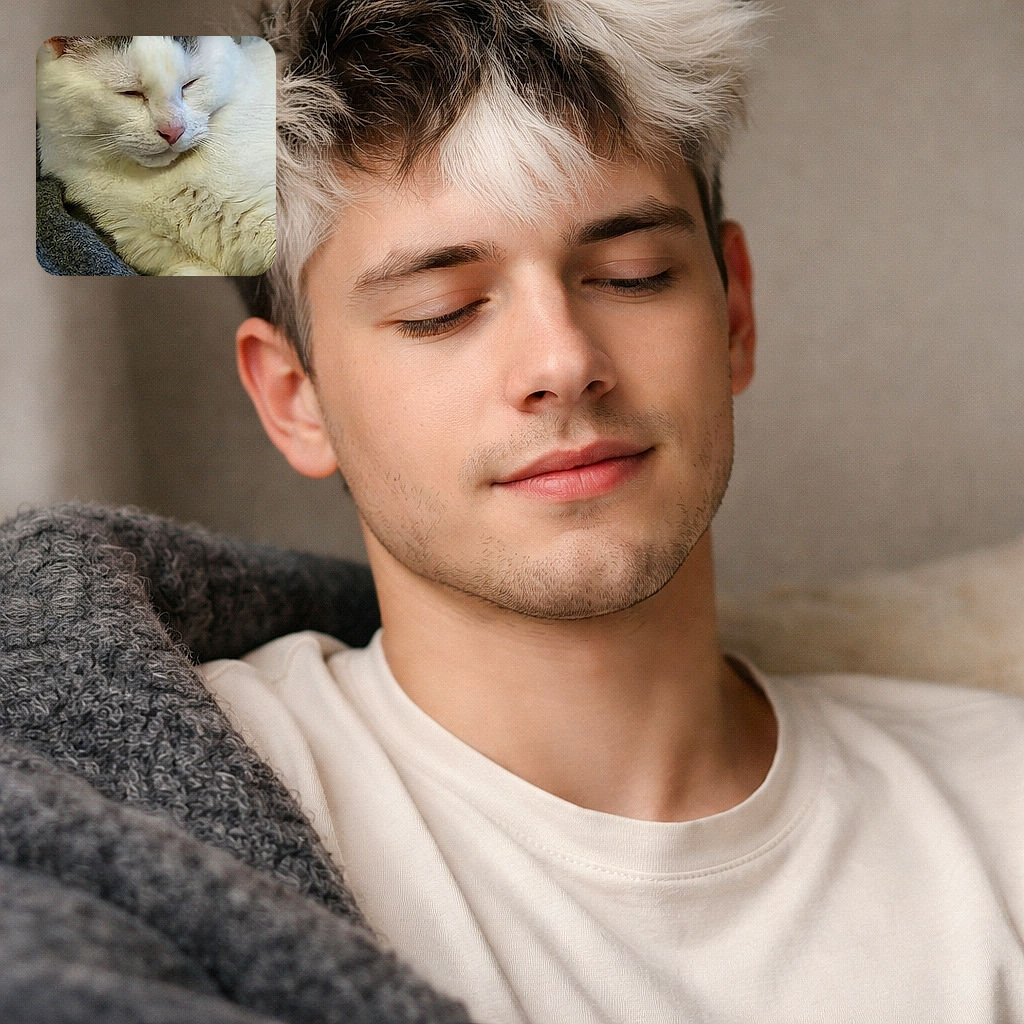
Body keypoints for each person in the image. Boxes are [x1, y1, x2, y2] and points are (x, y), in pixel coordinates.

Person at [1, 2, 1021, 1022]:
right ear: (292, 398)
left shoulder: (997, 804)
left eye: (632, 275)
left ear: (735, 312)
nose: (563, 362)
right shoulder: (143, 810)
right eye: (441, 308)